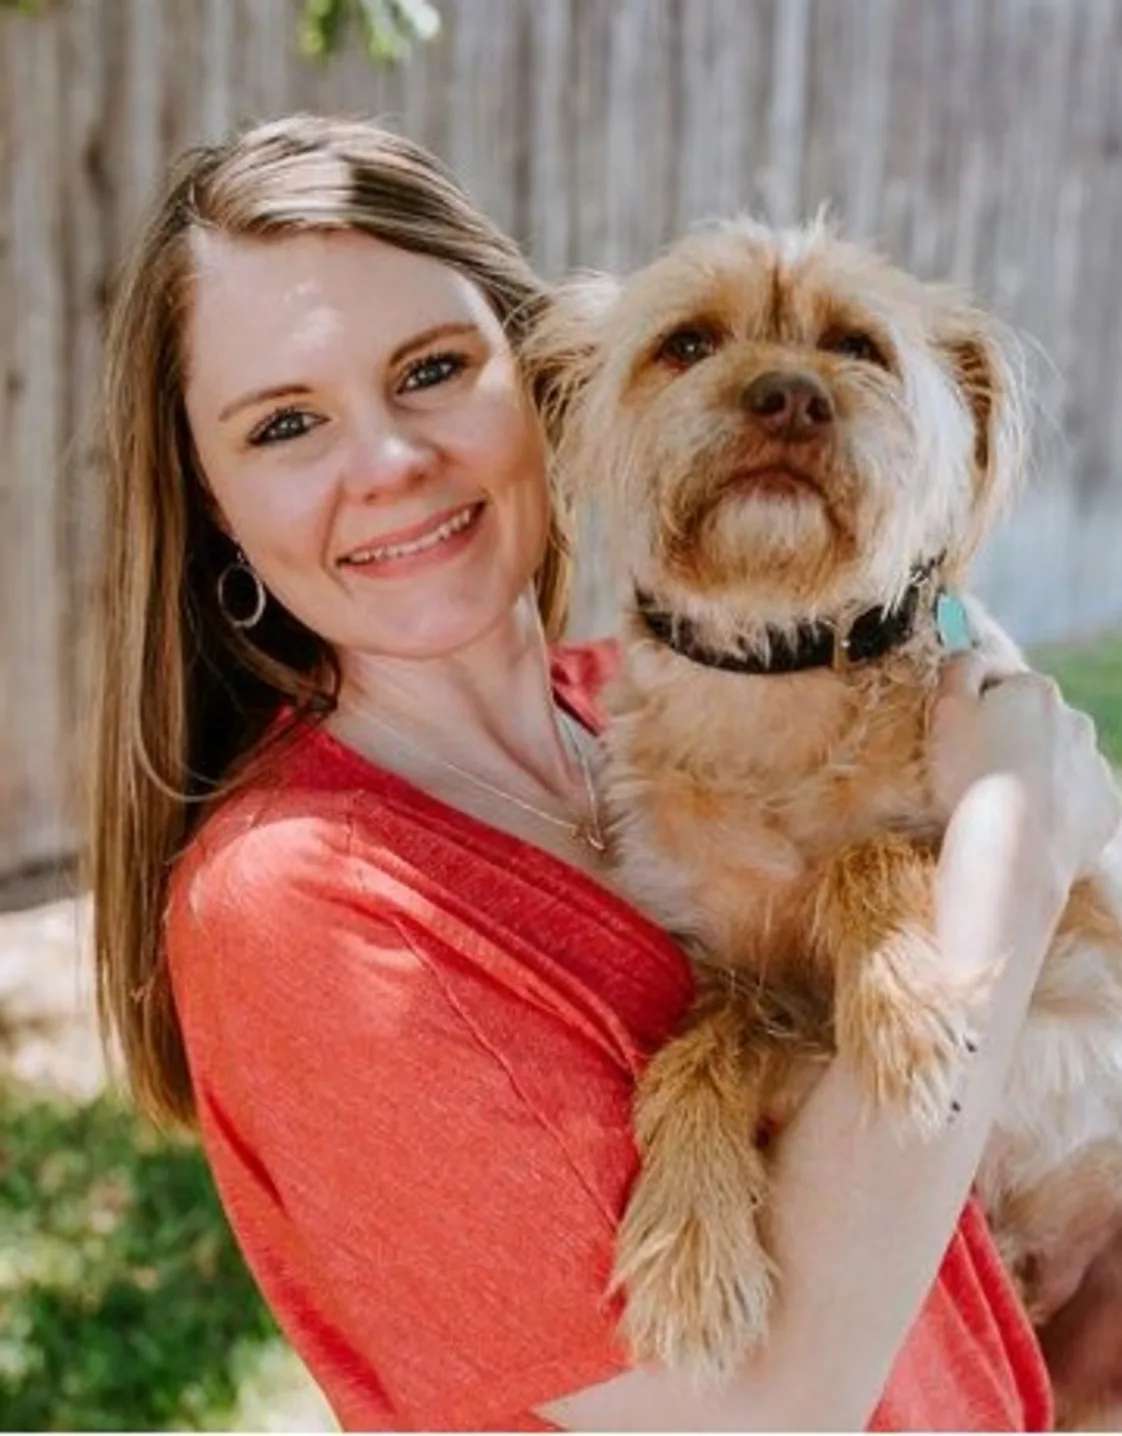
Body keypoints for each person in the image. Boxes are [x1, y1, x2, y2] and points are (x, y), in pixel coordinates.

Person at [88, 113, 1120, 1433]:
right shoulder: (295, 907)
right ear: (212, 499)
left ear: (542, 388)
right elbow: (756, 1416)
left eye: (432, 369)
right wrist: (1006, 841)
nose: (391, 465)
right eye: (284, 423)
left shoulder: (618, 715)